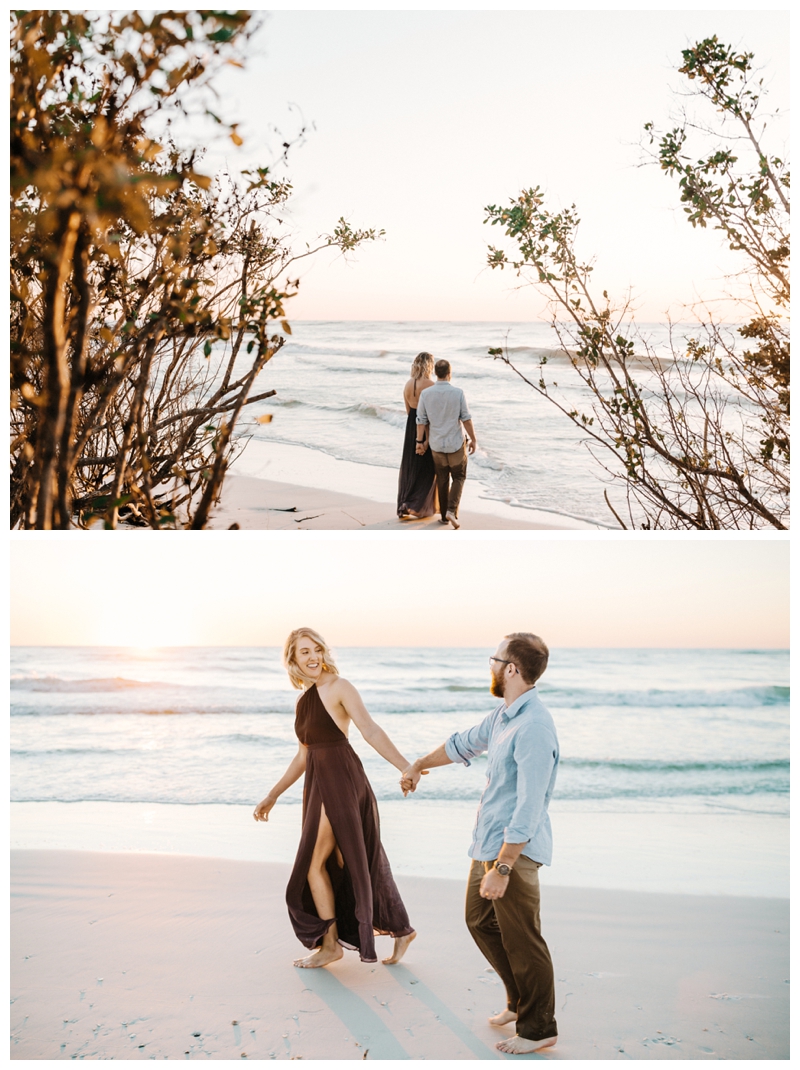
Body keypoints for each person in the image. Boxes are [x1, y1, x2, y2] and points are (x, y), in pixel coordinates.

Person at [400, 633, 559, 1055]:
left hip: (514, 851)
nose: (489, 666)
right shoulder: (504, 716)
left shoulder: (535, 727)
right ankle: (518, 1001)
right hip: (488, 843)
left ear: (511, 669)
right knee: (479, 920)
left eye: (495, 659)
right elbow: (462, 743)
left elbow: (531, 804)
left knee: (524, 938)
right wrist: (418, 764)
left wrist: (504, 866)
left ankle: (539, 1026)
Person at [253, 628, 416, 969]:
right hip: (318, 784)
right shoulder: (304, 701)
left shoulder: (339, 687)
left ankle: (331, 946)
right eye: (303, 652)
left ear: (324, 652)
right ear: (293, 660)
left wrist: (406, 766)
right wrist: (272, 794)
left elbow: (369, 729)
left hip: (340, 780)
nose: (312, 657)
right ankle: (401, 929)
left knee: (315, 863)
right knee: (348, 863)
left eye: (316, 650)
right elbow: (302, 756)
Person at [414, 358, 477, 529]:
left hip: (436, 444)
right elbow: (466, 419)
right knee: (459, 476)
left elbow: (420, 420)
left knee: (442, 479)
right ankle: (451, 510)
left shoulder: (426, 394)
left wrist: (420, 442)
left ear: (435, 373)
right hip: (456, 444)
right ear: (450, 373)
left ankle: (443, 516)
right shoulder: (458, 393)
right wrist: (473, 439)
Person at [397, 352, 438, 519]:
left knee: (412, 466)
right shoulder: (430, 384)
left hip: (411, 426)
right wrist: (426, 438)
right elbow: (432, 413)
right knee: (428, 468)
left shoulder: (407, 384)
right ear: (429, 365)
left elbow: (408, 411)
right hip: (425, 427)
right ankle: (418, 506)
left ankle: (405, 503)